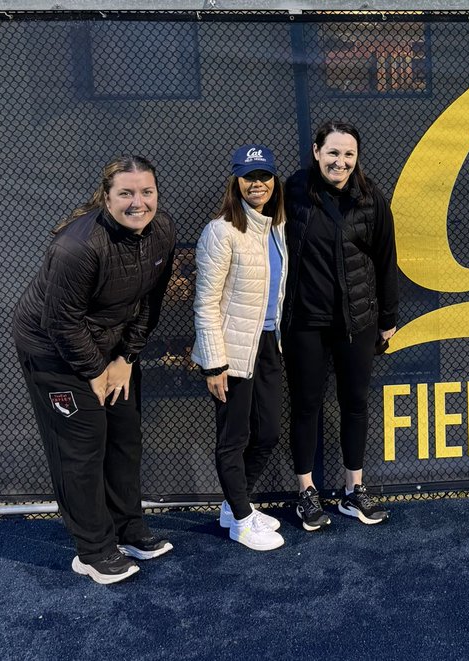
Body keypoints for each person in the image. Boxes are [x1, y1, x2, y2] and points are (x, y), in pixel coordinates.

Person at [12, 156, 177, 584]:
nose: (138, 202)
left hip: (109, 350)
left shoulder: (162, 231)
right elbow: (61, 322)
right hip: (53, 351)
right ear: (106, 197)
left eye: (146, 192)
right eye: (126, 193)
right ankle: (93, 550)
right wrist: (94, 372)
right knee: (82, 447)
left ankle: (128, 528)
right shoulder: (78, 246)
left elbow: (149, 303)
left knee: (124, 436)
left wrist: (125, 359)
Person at [283, 121, 399, 530]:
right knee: (306, 406)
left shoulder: (370, 197)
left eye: (349, 154)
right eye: (333, 152)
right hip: (306, 322)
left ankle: (354, 491)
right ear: (316, 152)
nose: (341, 161)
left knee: (355, 403)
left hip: (358, 322)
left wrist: (388, 319)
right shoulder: (292, 192)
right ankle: (307, 492)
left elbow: (386, 259)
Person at [192, 145, 288, 551]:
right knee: (234, 437)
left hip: (267, 344)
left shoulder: (276, 228)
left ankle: (236, 506)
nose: (257, 184)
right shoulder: (221, 230)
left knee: (267, 433)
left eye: (264, 176)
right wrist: (214, 364)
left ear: (273, 182)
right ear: (236, 181)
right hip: (231, 349)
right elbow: (205, 302)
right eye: (249, 176)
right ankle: (242, 521)